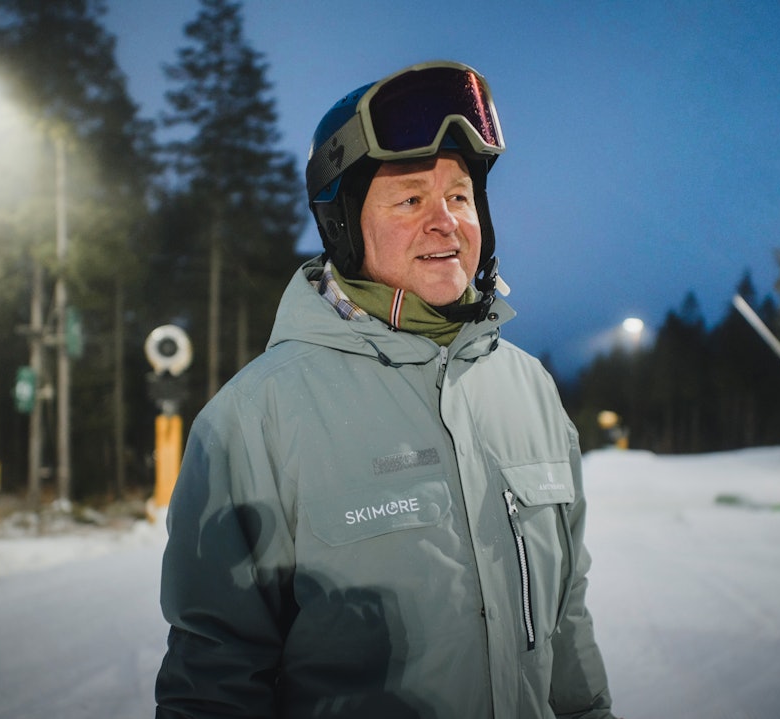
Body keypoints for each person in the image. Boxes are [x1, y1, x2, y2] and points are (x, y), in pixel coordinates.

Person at [155, 60, 617, 719]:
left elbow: (567, 619)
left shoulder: (531, 389)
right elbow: (213, 683)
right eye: (410, 200)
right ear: (342, 225)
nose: (446, 223)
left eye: (459, 196)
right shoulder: (254, 421)